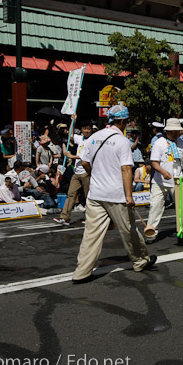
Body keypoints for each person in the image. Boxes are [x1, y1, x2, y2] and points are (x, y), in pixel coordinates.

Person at [72, 105, 157, 283]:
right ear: (123, 121)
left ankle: (82, 272)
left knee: (91, 234)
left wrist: (96, 173)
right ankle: (140, 261)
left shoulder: (93, 137)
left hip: (96, 193)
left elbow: (85, 162)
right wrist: (129, 196)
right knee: (128, 230)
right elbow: (126, 168)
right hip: (116, 194)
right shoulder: (122, 141)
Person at [146, 118, 183, 243]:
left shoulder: (181, 143)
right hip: (159, 181)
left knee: (181, 207)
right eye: (176, 131)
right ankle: (151, 233)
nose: (178, 133)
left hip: (177, 181)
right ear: (169, 131)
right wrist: (163, 172)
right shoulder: (159, 143)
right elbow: (154, 163)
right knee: (155, 207)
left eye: (178, 131)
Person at [55, 120, 93, 226]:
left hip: (86, 172)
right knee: (71, 194)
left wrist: (71, 156)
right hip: (77, 172)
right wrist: (74, 121)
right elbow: (71, 135)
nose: (86, 131)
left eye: (88, 129)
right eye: (84, 129)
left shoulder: (92, 141)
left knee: (88, 196)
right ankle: (65, 217)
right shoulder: (80, 138)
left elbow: (85, 157)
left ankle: (90, 217)